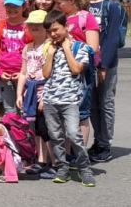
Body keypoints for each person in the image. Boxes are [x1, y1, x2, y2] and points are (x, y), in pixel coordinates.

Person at [41, 10, 96, 187]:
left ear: (66, 27)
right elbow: (46, 73)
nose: (53, 34)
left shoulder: (80, 47)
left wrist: (66, 48)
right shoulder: (49, 48)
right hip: (51, 99)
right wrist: (50, 54)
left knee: (73, 134)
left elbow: (76, 69)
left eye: (56, 29)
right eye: (50, 31)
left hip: (71, 100)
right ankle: (62, 167)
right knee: (56, 136)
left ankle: (84, 168)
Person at [85, 0, 124, 162]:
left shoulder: (112, 5)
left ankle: (105, 143)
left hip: (107, 64)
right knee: (91, 105)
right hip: (87, 63)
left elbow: (112, 38)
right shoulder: (85, 4)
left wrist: (104, 65)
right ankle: (97, 141)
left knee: (106, 103)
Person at [54, 0, 100, 146]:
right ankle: (67, 152)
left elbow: (92, 48)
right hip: (61, 72)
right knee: (63, 113)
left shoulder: (85, 17)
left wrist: (71, 44)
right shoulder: (59, 18)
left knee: (81, 113)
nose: (57, 6)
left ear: (72, 1)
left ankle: (80, 154)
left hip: (81, 72)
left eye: (60, 3)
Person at [15, 10, 56, 179]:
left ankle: (55, 163)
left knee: (47, 129)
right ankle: (40, 159)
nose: (34, 29)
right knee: (37, 129)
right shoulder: (28, 47)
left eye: (38, 26)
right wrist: (19, 94)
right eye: (31, 26)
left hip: (44, 91)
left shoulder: (50, 47)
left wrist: (45, 96)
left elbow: (53, 74)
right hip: (30, 92)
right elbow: (23, 72)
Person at [0, 0, 31, 114]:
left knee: (25, 109)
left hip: (23, 75)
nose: (11, 9)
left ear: (24, 7)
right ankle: (12, 133)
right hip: (5, 75)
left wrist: (24, 74)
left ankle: (26, 134)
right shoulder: (1, 25)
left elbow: (33, 53)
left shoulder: (28, 26)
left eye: (16, 6)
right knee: (9, 110)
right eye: (8, 5)